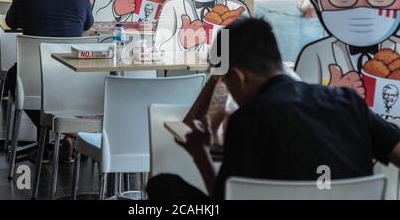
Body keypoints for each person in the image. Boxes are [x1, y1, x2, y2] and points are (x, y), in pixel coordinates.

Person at [147, 18, 400, 200]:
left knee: (164, 186)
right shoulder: (348, 101)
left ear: (238, 77)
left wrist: (199, 154)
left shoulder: (248, 118)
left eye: (225, 81)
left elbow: (225, 199)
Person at [5, 0, 93, 162]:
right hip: (74, 78)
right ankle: (69, 131)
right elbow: (87, 26)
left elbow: (10, 22)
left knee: (13, 77)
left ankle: (47, 132)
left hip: (33, 80)